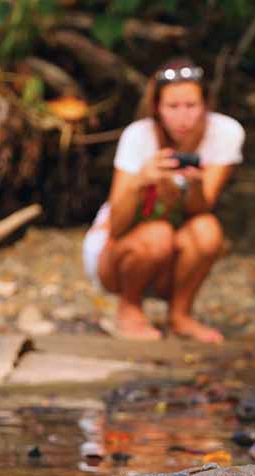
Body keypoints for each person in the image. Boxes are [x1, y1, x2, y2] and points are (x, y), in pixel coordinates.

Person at [82, 57, 245, 342]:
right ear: (157, 107)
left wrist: (193, 187)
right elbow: (116, 226)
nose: (183, 117)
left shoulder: (226, 133)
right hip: (118, 251)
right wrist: (139, 183)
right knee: (158, 235)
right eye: (173, 107)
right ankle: (129, 309)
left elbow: (200, 209)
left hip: (172, 247)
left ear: (205, 105)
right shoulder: (137, 137)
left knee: (208, 230)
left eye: (191, 106)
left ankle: (180, 314)